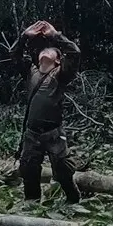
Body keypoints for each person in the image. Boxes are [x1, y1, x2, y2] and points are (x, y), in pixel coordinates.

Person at [10, 20, 82, 204]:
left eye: (51, 50)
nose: (45, 51)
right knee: (28, 168)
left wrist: (55, 35)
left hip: (54, 133)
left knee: (63, 169)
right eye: (43, 50)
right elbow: (14, 53)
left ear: (57, 60)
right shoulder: (30, 73)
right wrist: (25, 35)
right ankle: (31, 203)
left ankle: (73, 200)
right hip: (32, 133)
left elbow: (74, 52)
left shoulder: (60, 75)